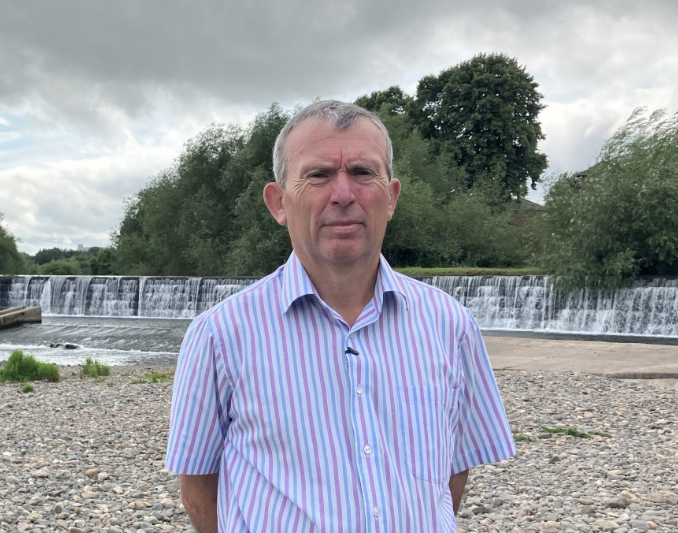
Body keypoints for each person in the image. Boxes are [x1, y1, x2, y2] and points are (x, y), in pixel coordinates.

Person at [165, 100, 515, 532]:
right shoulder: (219, 335)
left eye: (364, 173)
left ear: (392, 197)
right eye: (319, 175)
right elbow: (198, 488)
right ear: (278, 202)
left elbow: (454, 470)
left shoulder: (450, 324)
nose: (344, 194)